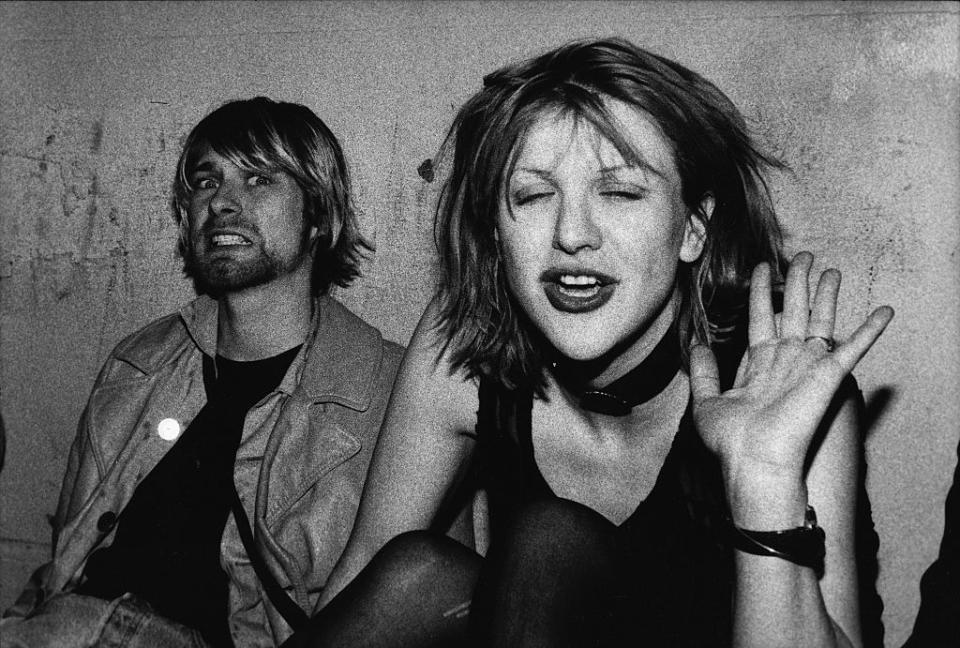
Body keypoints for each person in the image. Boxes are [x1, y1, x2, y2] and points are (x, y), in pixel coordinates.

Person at [283, 38, 894, 648]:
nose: (571, 234)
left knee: (548, 541)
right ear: (495, 233)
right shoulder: (466, 344)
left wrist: (765, 480)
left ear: (693, 228)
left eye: (621, 192)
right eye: (533, 194)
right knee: (420, 573)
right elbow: (366, 567)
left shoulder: (776, 379)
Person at [1, 97, 404, 647]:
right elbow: (64, 563)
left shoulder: (393, 395)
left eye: (260, 179)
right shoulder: (139, 364)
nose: (221, 203)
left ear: (319, 217)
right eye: (205, 181)